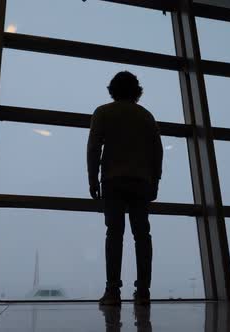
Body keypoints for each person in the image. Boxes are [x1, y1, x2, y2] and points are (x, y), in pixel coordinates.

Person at [87, 71, 163, 306]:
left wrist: (92, 179)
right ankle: (143, 291)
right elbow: (157, 153)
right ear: (136, 90)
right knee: (142, 236)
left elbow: (93, 149)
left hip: (113, 181)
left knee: (114, 234)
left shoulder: (103, 112)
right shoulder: (146, 116)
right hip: (141, 182)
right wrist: (155, 181)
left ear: (113, 90)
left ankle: (112, 291)